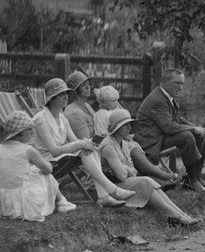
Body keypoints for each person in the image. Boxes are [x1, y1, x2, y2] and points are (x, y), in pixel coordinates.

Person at [31, 77, 135, 209]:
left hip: (59, 158)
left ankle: (104, 197)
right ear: (52, 98)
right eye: (61, 94)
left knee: (89, 149)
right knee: (82, 149)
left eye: (66, 93)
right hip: (45, 161)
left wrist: (89, 143)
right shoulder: (40, 119)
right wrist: (80, 145)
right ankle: (111, 190)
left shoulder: (62, 117)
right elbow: (54, 150)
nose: (66, 97)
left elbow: (76, 141)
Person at [99, 108, 201, 227]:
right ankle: (176, 216)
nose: (129, 128)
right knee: (145, 181)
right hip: (109, 188)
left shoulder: (124, 143)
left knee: (149, 182)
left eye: (129, 124)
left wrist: (124, 168)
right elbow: (122, 175)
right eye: (125, 125)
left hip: (121, 182)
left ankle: (181, 214)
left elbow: (133, 172)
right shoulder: (108, 146)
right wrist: (125, 169)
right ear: (116, 127)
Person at [132, 68, 205, 193]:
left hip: (160, 136)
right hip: (150, 140)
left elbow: (179, 120)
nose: (181, 87)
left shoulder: (167, 96)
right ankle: (192, 180)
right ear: (164, 82)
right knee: (186, 136)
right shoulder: (157, 100)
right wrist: (193, 129)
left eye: (182, 84)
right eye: (177, 83)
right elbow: (169, 127)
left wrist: (198, 129)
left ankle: (196, 177)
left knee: (201, 134)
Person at [0, 111, 59, 222]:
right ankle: (62, 201)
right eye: (29, 129)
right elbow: (48, 169)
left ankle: (63, 201)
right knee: (42, 172)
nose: (32, 132)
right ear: (21, 132)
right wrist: (39, 156)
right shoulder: (28, 150)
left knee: (31, 171)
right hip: (22, 204)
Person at [63, 70, 97, 141]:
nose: (88, 87)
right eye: (83, 85)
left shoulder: (86, 105)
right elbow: (86, 142)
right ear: (74, 90)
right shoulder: (74, 113)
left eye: (88, 83)